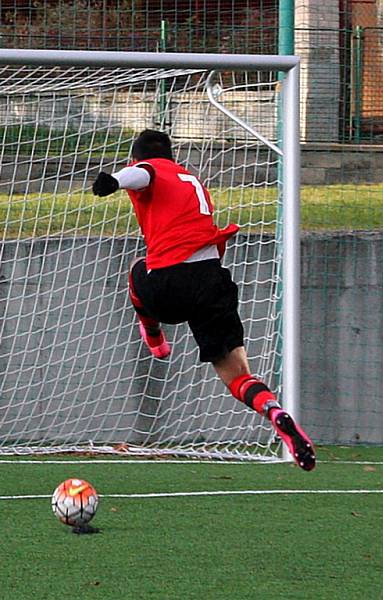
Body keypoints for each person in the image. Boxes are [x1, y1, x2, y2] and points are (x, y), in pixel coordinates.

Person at [92, 129, 315, 471]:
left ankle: (154, 337)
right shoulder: (189, 177)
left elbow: (144, 174)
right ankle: (274, 410)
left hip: (170, 283)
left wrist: (114, 181)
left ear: (136, 157)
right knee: (237, 375)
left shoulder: (150, 170)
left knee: (137, 268)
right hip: (213, 281)